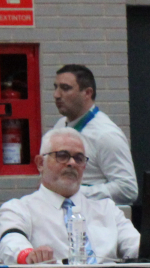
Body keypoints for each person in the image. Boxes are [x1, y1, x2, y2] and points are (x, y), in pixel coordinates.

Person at [0, 128, 140, 264]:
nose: (72, 163)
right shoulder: (19, 209)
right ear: (40, 163)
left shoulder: (108, 210)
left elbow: (137, 246)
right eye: (62, 156)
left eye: (79, 158)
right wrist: (28, 255)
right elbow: (10, 242)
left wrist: (149, 250)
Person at [51, 64, 137, 206]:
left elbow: (128, 189)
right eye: (56, 87)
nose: (57, 95)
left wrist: (76, 192)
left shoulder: (106, 135)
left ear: (87, 93)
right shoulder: (60, 125)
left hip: (92, 215)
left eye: (65, 88)